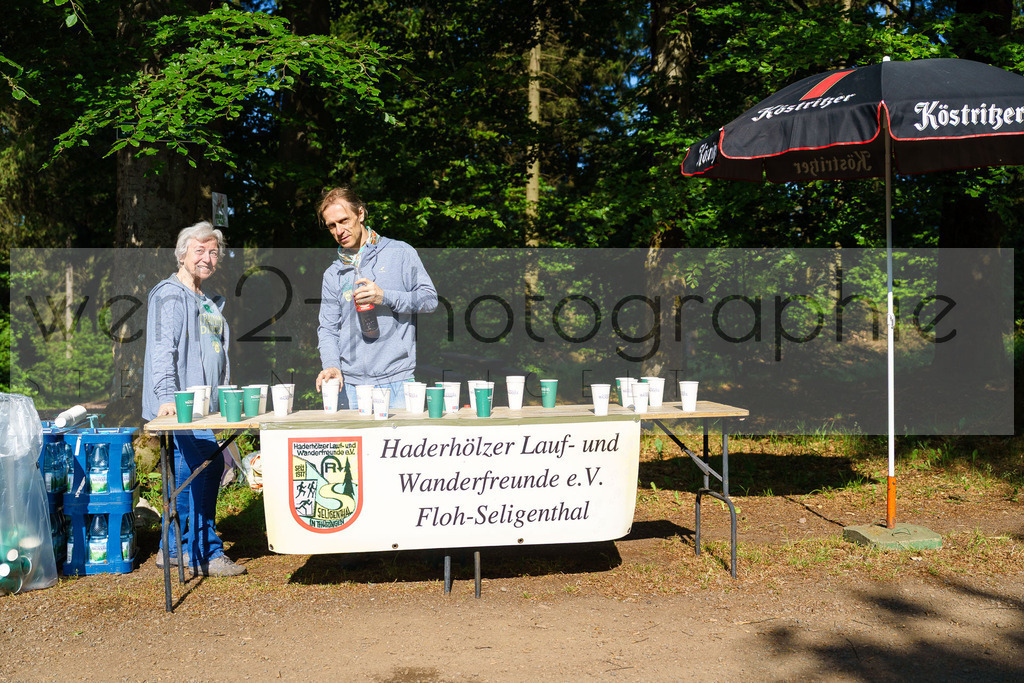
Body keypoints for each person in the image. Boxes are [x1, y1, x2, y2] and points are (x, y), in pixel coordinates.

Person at [141, 221, 247, 577]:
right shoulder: (169, 294)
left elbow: (212, 352)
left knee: (191, 470)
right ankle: (204, 552)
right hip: (181, 404)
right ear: (182, 253)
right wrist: (166, 396)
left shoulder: (205, 298)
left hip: (205, 406)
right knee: (209, 465)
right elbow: (162, 350)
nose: (207, 256)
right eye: (199, 250)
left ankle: (172, 548)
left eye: (213, 251)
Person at [315, 187, 437, 408]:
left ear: (360, 214)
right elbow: (328, 328)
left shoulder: (399, 253)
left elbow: (429, 299)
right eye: (332, 226)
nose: (339, 230)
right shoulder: (333, 273)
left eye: (344, 220)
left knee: (397, 444)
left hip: (396, 381)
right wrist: (331, 365)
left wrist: (385, 296)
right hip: (348, 386)